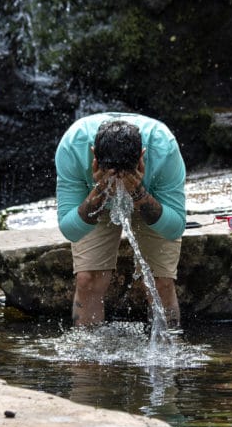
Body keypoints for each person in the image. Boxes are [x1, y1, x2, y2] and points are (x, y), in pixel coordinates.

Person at [55, 113, 186, 328]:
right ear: (94, 156)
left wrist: (139, 193)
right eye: (112, 174)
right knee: (87, 279)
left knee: (161, 282)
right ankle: (88, 355)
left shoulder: (164, 148)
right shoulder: (72, 147)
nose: (119, 182)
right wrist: (100, 191)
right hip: (95, 198)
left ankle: (167, 352)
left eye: (126, 173)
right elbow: (71, 230)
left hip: (150, 195)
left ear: (142, 156)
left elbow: (174, 228)